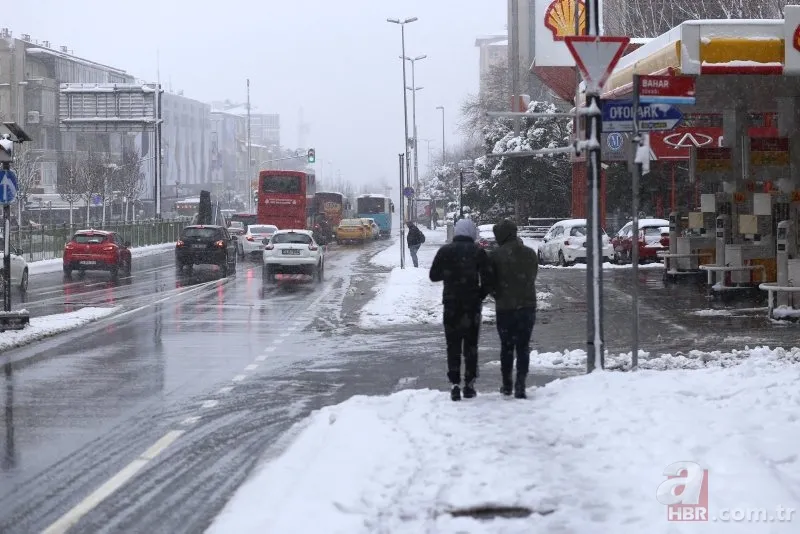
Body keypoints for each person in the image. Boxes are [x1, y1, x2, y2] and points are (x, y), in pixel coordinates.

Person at [429, 218, 493, 401]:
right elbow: (488, 279)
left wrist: (449, 273)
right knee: (471, 346)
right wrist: (479, 295)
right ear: (472, 232)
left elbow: (433, 276)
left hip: (451, 305)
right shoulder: (478, 252)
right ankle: (469, 384)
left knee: (453, 345)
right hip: (472, 306)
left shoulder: (445, 251)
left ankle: (455, 383)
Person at [489, 219, 538, 399]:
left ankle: (507, 383)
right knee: (523, 346)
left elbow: (489, 282)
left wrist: (498, 294)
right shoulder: (530, 253)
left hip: (505, 308)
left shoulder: (495, 256)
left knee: (507, 347)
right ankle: (521, 384)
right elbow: (532, 276)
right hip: (527, 306)